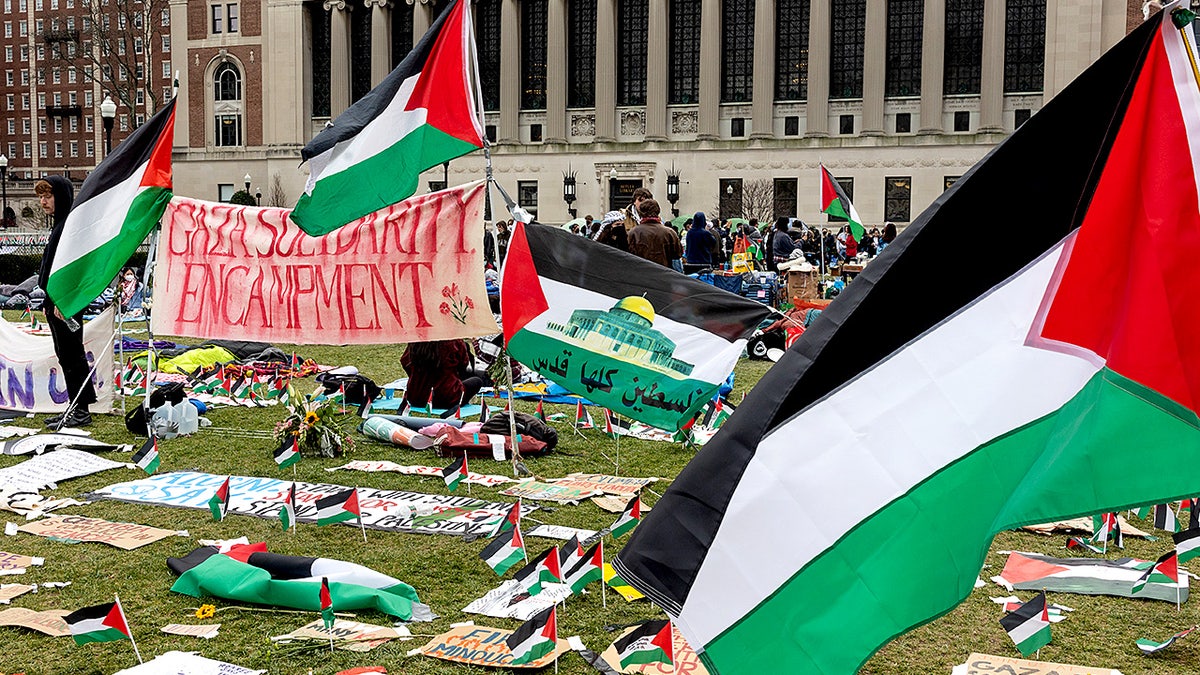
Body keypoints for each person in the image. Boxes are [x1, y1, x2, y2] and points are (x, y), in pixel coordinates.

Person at [37, 177, 96, 429]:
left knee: (72, 356)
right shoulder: (60, 225)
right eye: (40, 197)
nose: (43, 202)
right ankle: (75, 406)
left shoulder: (68, 227)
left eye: (48, 196)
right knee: (66, 355)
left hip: (66, 304)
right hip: (57, 302)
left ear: (60, 196)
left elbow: (72, 270)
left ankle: (81, 410)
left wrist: (64, 300)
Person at [399, 339, 488, 413]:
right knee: (477, 381)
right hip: (448, 397)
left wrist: (418, 377)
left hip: (416, 397)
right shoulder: (453, 340)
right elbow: (463, 364)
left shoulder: (417, 339)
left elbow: (405, 362)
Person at [626, 199, 683, 269]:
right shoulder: (669, 232)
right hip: (663, 273)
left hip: (641, 273)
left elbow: (629, 255)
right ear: (658, 211)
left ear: (641, 212)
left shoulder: (633, 232)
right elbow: (678, 254)